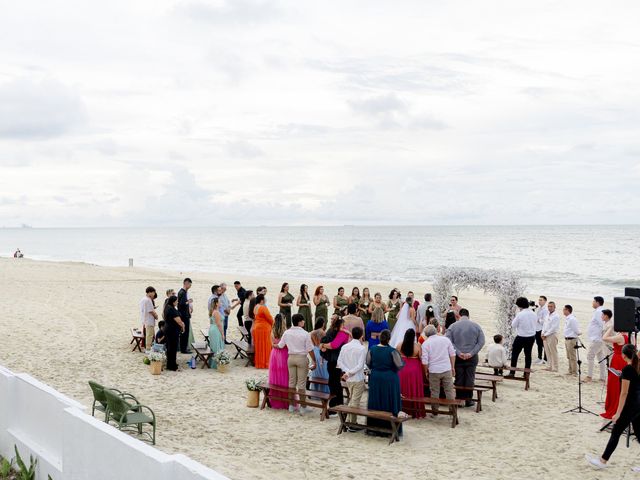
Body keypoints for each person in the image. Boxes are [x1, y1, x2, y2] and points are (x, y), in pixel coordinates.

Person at [586, 344, 640, 470]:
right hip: (638, 404)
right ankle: (602, 460)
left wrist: (618, 413)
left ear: (624, 355)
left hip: (630, 406)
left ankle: (602, 461)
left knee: (616, 433)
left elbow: (624, 393)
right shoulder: (637, 366)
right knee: (639, 433)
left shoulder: (628, 369)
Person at [366, 329, 404, 436]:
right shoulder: (392, 351)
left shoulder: (372, 349)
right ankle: (390, 427)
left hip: (376, 377)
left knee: (376, 400)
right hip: (390, 378)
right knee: (389, 401)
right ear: (389, 339)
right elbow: (399, 365)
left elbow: (368, 363)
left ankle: (374, 427)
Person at [445, 308, 485, 406]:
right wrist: (471, 353)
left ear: (458, 315)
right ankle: (468, 399)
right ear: (468, 315)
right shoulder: (476, 326)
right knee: (470, 378)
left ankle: (459, 399)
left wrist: (459, 352)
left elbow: (448, 341)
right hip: (472, 357)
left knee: (459, 377)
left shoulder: (452, 326)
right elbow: (481, 342)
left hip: (457, 356)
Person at [277, 313, 316, 413]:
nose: (304, 322)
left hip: (291, 358)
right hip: (301, 358)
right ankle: (303, 406)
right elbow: (310, 349)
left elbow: (280, 346)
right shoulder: (305, 333)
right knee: (301, 384)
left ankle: (291, 405)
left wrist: (273, 345)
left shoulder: (287, 332)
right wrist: (314, 360)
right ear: (299, 322)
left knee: (292, 382)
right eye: (302, 320)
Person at [337, 326, 367, 428]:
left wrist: (346, 371)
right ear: (361, 336)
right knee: (355, 401)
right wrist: (349, 373)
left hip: (348, 378)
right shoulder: (362, 348)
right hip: (357, 378)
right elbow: (359, 366)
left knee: (352, 399)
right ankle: (352, 424)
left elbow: (339, 362)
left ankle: (349, 421)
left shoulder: (345, 347)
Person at [600, 314, 628, 420]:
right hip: (622, 359)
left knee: (614, 384)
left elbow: (604, 338)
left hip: (617, 360)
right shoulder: (629, 336)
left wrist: (611, 327)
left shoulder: (620, 336)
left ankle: (614, 407)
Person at [422, 325, 456, 411]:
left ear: (426, 334)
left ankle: (435, 410)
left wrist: (426, 371)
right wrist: (452, 367)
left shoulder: (426, 344)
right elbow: (452, 354)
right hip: (446, 368)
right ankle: (452, 409)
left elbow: (425, 361)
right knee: (449, 390)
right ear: (436, 331)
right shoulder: (445, 340)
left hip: (434, 370)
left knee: (434, 391)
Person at [320, 317, 351, 409]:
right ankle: (335, 404)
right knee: (333, 382)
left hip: (336, 360)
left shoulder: (339, 332)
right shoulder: (338, 332)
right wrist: (323, 345)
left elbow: (333, 345)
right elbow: (332, 344)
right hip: (334, 360)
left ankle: (337, 405)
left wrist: (322, 345)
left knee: (335, 382)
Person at [397, 329, 425, 418]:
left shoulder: (399, 345)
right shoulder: (417, 346)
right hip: (414, 370)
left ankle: (402, 408)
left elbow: (395, 357)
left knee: (402, 388)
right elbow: (421, 358)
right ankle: (414, 410)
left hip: (402, 369)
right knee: (414, 389)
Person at [509, 297, 537, 374]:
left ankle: (512, 372)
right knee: (528, 355)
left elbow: (513, 325)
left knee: (515, 354)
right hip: (531, 337)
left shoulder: (520, 314)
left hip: (521, 336)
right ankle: (526, 373)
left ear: (519, 306)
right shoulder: (534, 313)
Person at [269, 314, 290, 410]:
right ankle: (285, 400)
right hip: (284, 353)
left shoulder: (273, 331)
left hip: (274, 354)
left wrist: (276, 345)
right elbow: (287, 344)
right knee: (284, 375)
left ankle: (275, 399)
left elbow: (272, 344)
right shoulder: (285, 332)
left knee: (276, 375)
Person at [586, 296, 607, 383]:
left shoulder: (599, 312)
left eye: (593, 301)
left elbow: (603, 325)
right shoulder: (599, 311)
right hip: (598, 338)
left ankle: (589, 376)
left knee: (590, 356)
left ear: (597, 302)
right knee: (600, 357)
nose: (592, 302)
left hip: (597, 339)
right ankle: (602, 377)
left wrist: (601, 337)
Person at [163, 295, 185, 371]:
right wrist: (183, 326)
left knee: (170, 347)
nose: (177, 302)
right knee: (173, 347)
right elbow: (178, 321)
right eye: (176, 301)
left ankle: (170, 363)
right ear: (173, 302)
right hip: (172, 330)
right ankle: (172, 365)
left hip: (168, 329)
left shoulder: (167, 307)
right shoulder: (171, 309)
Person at [309, 317, 330, 394]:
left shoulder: (312, 332)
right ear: (323, 323)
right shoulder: (323, 332)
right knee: (324, 372)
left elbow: (311, 344)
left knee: (316, 371)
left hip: (314, 351)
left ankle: (315, 392)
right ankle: (323, 392)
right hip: (321, 351)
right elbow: (325, 344)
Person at [253, 294, 274, 369]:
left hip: (256, 327)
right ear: (262, 300)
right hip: (263, 328)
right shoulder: (263, 307)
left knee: (259, 346)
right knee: (266, 345)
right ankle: (265, 362)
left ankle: (259, 362)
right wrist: (274, 324)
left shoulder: (255, 307)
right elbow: (269, 318)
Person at [541, 301, 560, 372]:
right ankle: (549, 366)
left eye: (551, 306)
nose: (549, 308)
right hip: (545, 335)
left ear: (554, 307)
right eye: (548, 306)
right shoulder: (547, 315)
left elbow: (553, 328)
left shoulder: (556, 316)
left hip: (552, 335)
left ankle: (555, 367)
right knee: (547, 351)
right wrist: (542, 333)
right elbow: (544, 325)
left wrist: (545, 334)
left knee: (553, 352)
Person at [207, 297, 225, 368]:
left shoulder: (213, 311)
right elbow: (219, 324)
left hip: (213, 328)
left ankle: (214, 362)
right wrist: (222, 334)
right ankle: (216, 364)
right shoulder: (216, 312)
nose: (221, 303)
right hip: (216, 330)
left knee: (214, 346)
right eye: (220, 302)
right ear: (217, 303)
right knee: (217, 346)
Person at [564, 305, 581, 376]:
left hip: (571, 339)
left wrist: (579, 333)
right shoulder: (567, 318)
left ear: (568, 310)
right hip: (567, 339)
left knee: (572, 356)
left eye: (564, 309)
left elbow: (576, 329)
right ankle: (570, 370)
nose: (563, 311)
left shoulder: (572, 319)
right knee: (569, 356)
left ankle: (574, 372)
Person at [177, 278, 193, 354]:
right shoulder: (183, 292)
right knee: (185, 332)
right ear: (186, 283)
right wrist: (189, 301)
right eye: (190, 284)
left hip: (183, 314)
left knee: (184, 332)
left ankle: (184, 347)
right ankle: (184, 349)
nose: (190, 286)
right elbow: (182, 304)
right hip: (183, 315)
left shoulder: (181, 292)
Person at [140, 286, 158, 351]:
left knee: (149, 335)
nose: (154, 294)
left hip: (145, 319)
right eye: (153, 292)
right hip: (149, 320)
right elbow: (150, 310)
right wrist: (156, 316)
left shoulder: (143, 299)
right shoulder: (148, 300)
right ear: (150, 292)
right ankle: (148, 349)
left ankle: (147, 348)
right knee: (149, 336)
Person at [534, 295, 549, 365]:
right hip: (537, 328)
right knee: (538, 344)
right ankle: (539, 357)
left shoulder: (546, 310)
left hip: (542, 329)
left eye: (541, 300)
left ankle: (545, 359)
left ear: (545, 301)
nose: (539, 301)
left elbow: (545, 321)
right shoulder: (539, 308)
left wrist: (538, 320)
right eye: (539, 300)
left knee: (544, 344)